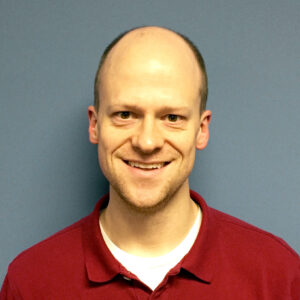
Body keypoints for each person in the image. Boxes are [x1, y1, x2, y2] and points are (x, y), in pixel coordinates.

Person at [1, 26, 299, 300]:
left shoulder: (278, 275)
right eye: (125, 115)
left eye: (172, 118)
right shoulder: (30, 282)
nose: (146, 142)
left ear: (202, 129)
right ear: (94, 125)